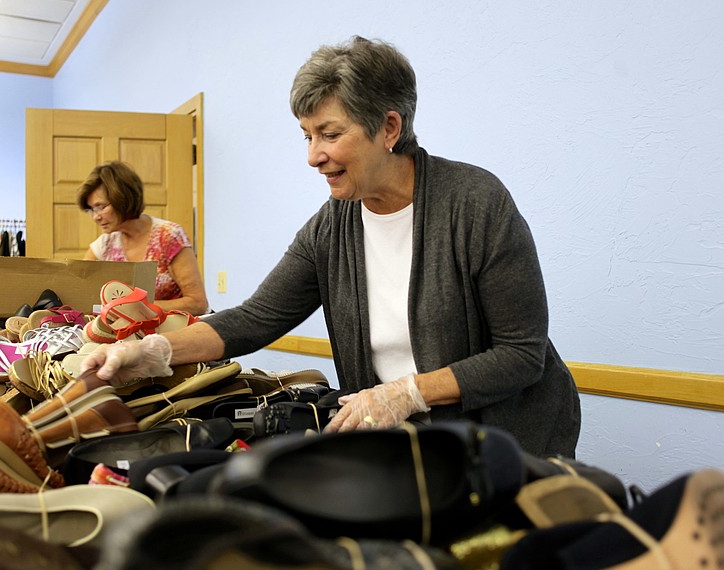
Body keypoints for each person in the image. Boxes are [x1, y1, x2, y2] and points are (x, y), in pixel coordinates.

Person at [82, 36, 581, 457]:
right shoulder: (332, 227)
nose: (313, 156)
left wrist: (409, 393)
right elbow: (256, 318)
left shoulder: (475, 203)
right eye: (305, 135)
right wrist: (155, 351)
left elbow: (520, 354)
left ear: (389, 128)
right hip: (406, 445)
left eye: (329, 134)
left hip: (507, 445)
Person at [78, 161, 209, 316]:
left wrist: (136, 306)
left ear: (122, 198)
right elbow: (80, 293)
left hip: (172, 333)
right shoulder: (104, 245)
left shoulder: (168, 236)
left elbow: (198, 303)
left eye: (101, 207)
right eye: (91, 209)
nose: (96, 217)